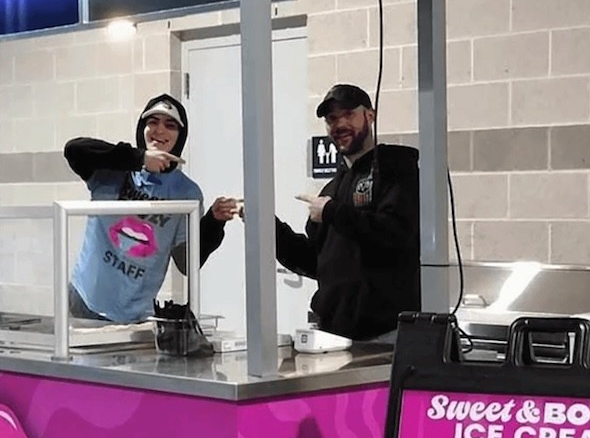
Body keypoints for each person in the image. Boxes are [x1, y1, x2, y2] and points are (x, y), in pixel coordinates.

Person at [63, 94, 238, 324]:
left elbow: (186, 263)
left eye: (170, 125)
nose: (159, 130)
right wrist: (139, 158)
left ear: (180, 136)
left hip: (135, 314)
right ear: (142, 128)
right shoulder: (113, 170)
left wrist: (213, 223)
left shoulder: (186, 192)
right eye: (152, 122)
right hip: (83, 302)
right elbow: (74, 149)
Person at [274, 83, 420, 342]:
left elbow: (394, 234)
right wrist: (268, 229)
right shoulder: (332, 188)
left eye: (349, 114)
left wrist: (332, 212)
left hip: (386, 332)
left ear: (370, 115)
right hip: (334, 332)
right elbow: (316, 262)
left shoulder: (397, 173)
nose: (340, 124)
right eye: (332, 119)